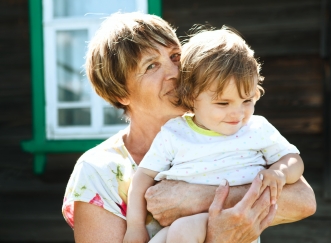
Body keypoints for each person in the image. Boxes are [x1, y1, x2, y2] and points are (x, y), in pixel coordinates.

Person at [61, 12, 316, 243]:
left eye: (175, 56)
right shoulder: (99, 171)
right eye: (151, 66)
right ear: (121, 93)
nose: (175, 71)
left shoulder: (231, 127)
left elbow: (303, 201)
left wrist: (201, 197)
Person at [124, 28, 304, 243]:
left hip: (234, 225)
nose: (237, 113)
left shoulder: (257, 129)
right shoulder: (176, 132)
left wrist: (280, 173)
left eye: (247, 100)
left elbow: (293, 159)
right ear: (191, 96)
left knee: (183, 230)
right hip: (178, 225)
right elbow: (143, 176)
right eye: (223, 103)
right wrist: (134, 226)